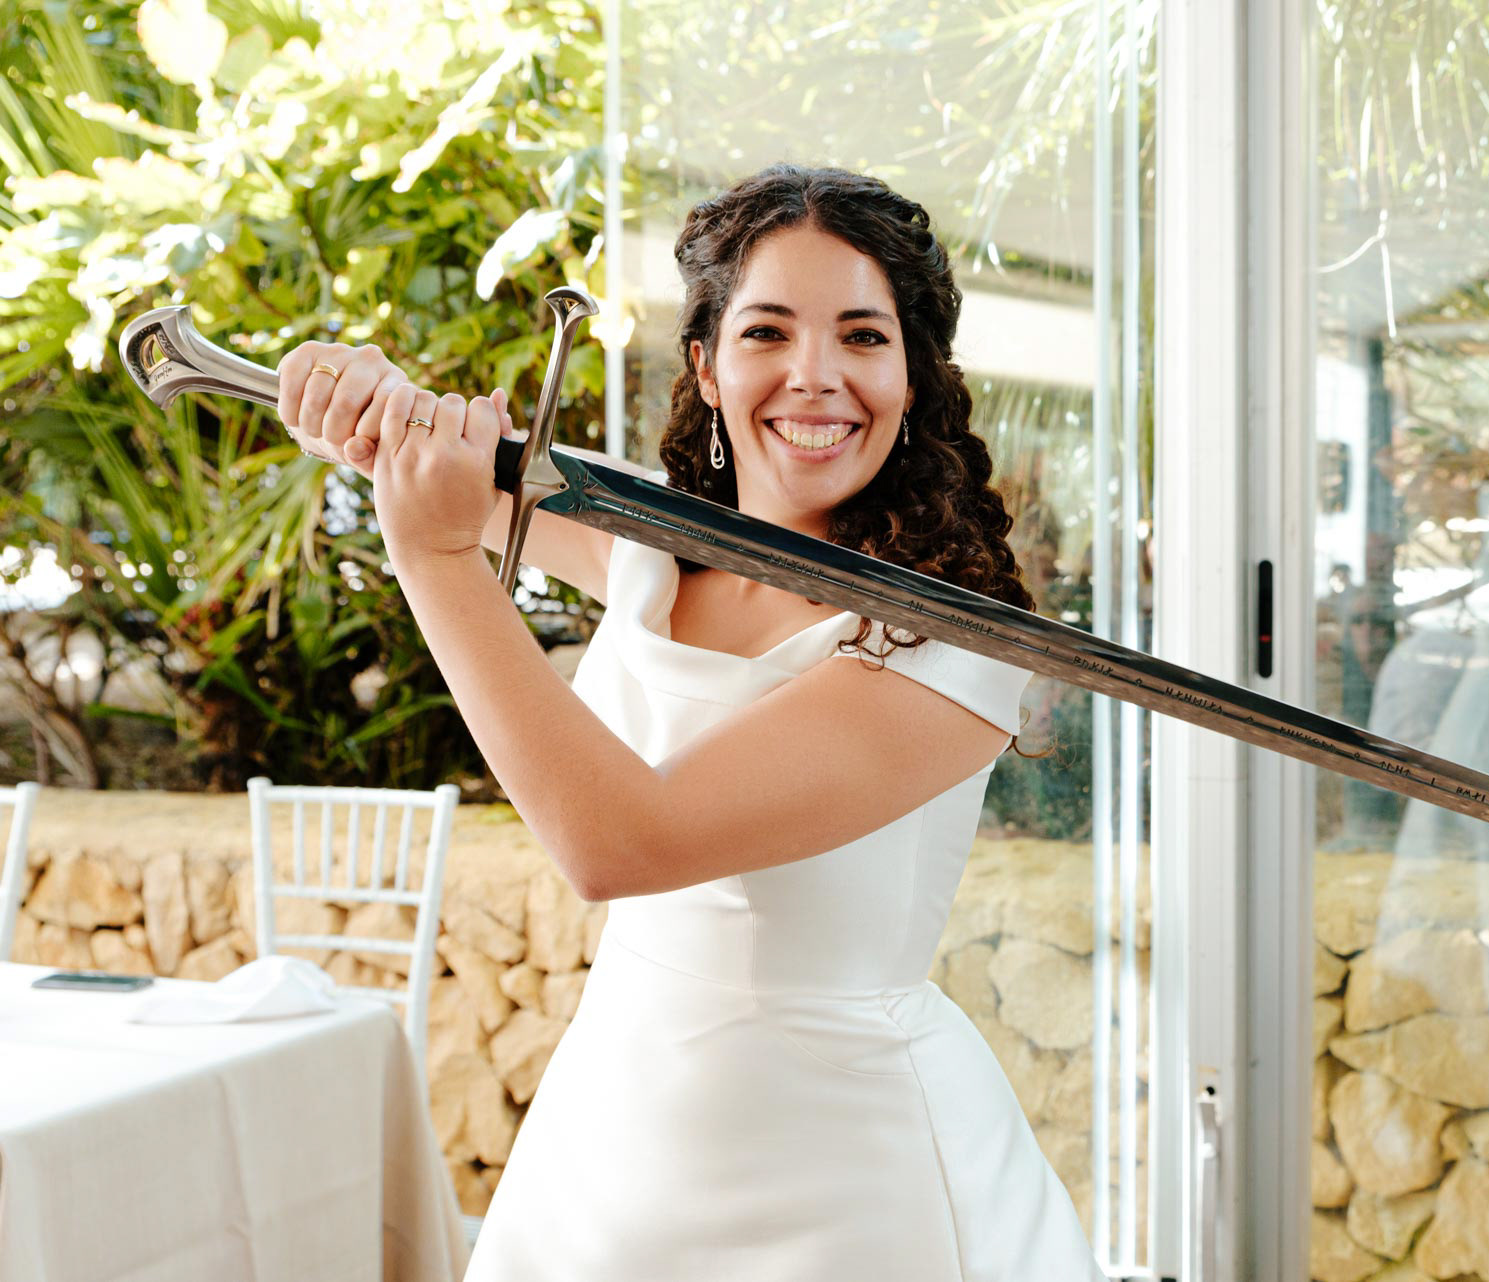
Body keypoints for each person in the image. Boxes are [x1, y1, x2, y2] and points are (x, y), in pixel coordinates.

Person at [276, 164, 1102, 1280]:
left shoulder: (953, 644)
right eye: (769, 332)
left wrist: (431, 561)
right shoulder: (647, 539)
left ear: (915, 376)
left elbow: (622, 840)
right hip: (614, 1137)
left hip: (851, 1183)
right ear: (709, 368)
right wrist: (357, 402)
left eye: (863, 336)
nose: (815, 377)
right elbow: (433, 461)